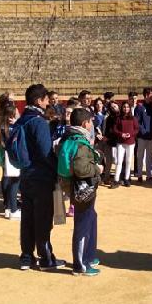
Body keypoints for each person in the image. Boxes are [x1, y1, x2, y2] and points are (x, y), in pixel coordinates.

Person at [15, 84, 65, 271]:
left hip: (25, 174)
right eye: (45, 99)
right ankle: (46, 258)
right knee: (43, 218)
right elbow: (46, 153)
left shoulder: (21, 120)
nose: (48, 103)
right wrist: (58, 170)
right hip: (42, 176)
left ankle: (26, 256)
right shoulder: (38, 122)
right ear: (39, 101)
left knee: (27, 217)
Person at [57, 108, 103, 276]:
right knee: (83, 224)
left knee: (90, 217)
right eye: (90, 122)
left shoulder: (67, 137)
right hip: (83, 188)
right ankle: (81, 264)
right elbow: (82, 169)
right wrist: (97, 168)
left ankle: (89, 256)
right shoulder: (80, 143)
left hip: (74, 187)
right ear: (85, 123)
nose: (91, 125)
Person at [0, 103, 21, 220]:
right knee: (15, 182)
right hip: (14, 156)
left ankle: (8, 207)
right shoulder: (15, 127)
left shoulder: (0, 126)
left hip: (5, 156)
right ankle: (13, 209)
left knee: (7, 179)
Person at [112, 101, 139, 188]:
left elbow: (137, 129)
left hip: (130, 142)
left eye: (127, 107)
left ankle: (127, 179)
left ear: (129, 108)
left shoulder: (133, 118)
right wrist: (121, 134)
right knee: (119, 161)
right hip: (121, 142)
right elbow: (115, 129)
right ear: (122, 108)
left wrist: (130, 134)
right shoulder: (118, 118)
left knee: (128, 161)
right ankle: (116, 180)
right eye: (124, 107)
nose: (126, 108)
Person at [134, 87, 152, 182]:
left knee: (149, 156)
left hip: (151, 136)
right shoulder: (139, 107)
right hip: (142, 136)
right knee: (140, 156)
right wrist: (143, 132)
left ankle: (148, 175)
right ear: (146, 95)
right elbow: (136, 122)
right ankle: (139, 175)